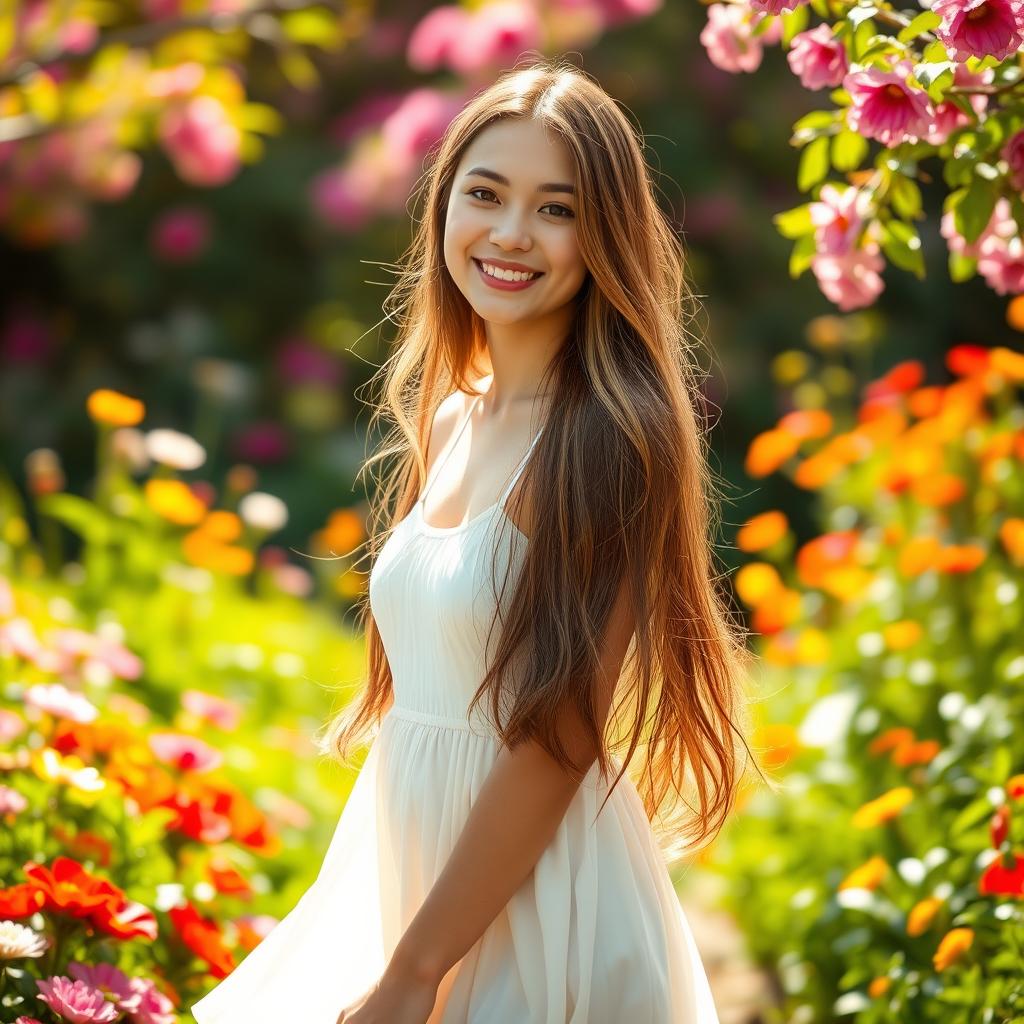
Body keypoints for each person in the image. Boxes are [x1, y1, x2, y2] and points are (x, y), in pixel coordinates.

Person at [190, 57, 761, 1024]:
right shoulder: (454, 413)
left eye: (557, 208)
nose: (509, 233)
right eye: (485, 193)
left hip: (536, 908)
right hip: (406, 869)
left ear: (605, 235)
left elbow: (561, 736)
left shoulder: (604, 438)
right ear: (442, 205)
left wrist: (416, 974)